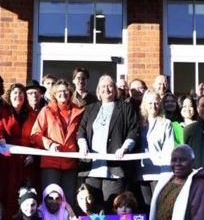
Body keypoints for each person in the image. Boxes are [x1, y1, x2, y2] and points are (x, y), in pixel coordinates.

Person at [78, 74, 140, 206]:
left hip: (114, 168)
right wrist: (83, 145)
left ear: (115, 89)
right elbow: (81, 130)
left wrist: (125, 148)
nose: (106, 89)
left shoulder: (125, 108)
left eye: (110, 85)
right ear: (98, 90)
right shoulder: (90, 108)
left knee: (111, 206)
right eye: (103, 86)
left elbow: (134, 130)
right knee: (91, 206)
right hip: (92, 167)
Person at [31, 78, 83, 204]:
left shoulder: (79, 111)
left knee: (69, 200)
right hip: (51, 162)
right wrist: (49, 144)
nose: (63, 94)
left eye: (66, 91)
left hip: (71, 163)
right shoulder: (47, 110)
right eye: (59, 91)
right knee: (51, 201)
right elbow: (35, 134)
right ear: (54, 94)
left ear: (70, 93)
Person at [0, 83, 39, 217]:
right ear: (9, 96)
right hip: (8, 159)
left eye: (21, 93)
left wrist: (33, 154)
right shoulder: (2, 112)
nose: (18, 96)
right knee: (8, 191)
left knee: (26, 192)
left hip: (27, 160)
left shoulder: (33, 114)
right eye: (15, 93)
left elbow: (37, 134)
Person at [137, 89, 175, 206]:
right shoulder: (138, 123)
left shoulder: (166, 123)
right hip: (141, 172)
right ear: (144, 104)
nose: (153, 106)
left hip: (159, 172)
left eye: (156, 103)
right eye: (150, 103)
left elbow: (169, 148)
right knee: (145, 206)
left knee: (158, 206)